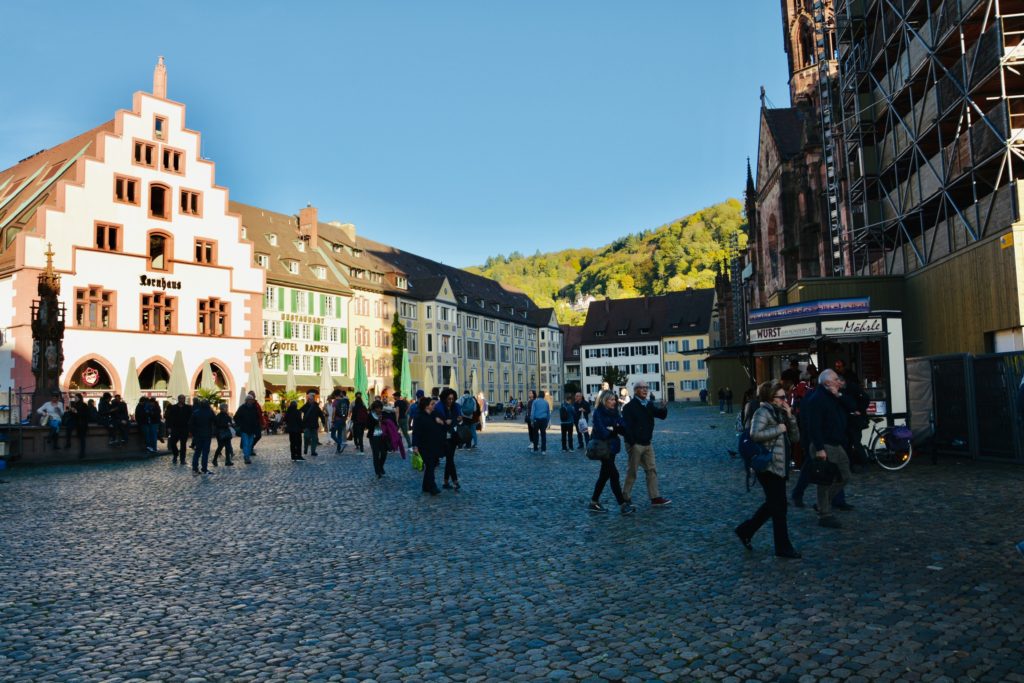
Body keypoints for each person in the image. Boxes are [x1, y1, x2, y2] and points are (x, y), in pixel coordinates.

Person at [734, 381, 801, 559]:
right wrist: (777, 429)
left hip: (780, 465)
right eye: (781, 397)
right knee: (779, 508)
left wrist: (790, 416)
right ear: (771, 398)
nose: (785, 400)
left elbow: (795, 437)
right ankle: (783, 547)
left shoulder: (780, 413)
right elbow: (755, 434)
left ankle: (745, 530)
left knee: (773, 505)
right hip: (768, 466)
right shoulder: (762, 412)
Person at [801, 369, 852, 529]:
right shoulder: (817, 399)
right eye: (836, 379)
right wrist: (819, 448)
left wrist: (839, 395)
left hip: (836, 443)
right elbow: (813, 426)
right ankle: (825, 514)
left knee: (845, 475)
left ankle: (823, 505)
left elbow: (852, 406)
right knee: (824, 482)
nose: (839, 381)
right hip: (825, 444)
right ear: (827, 383)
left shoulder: (833, 396)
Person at [621, 382, 672, 508]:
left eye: (646, 388)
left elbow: (661, 415)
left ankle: (655, 497)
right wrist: (632, 443)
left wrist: (663, 407)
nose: (645, 390)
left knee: (651, 469)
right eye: (642, 388)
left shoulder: (648, 404)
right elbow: (626, 428)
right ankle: (625, 497)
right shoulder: (629, 407)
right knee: (632, 472)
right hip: (635, 444)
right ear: (636, 390)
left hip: (647, 443)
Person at [588, 390, 635, 514]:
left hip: (612, 448)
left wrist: (616, 428)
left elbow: (623, 426)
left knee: (604, 475)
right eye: (612, 400)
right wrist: (615, 429)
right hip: (602, 449)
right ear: (605, 400)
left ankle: (594, 502)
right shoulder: (598, 412)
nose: (615, 402)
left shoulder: (614, 412)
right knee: (614, 475)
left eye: (615, 399)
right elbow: (602, 432)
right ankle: (623, 504)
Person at [412, 396, 443, 495]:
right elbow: (415, 433)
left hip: (433, 444)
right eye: (432, 404)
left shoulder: (433, 414)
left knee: (432, 465)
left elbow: (442, 420)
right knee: (430, 465)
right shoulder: (419, 417)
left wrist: (440, 422)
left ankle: (425, 486)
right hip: (424, 445)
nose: (434, 406)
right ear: (426, 406)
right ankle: (432, 487)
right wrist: (415, 446)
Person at [436, 388, 462, 490]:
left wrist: (454, 420)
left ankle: (446, 482)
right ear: (444, 398)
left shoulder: (455, 406)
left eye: (452, 399)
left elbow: (458, 418)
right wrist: (445, 421)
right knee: (450, 459)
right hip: (443, 437)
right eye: (449, 399)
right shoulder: (439, 406)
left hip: (453, 437)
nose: (451, 401)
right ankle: (455, 481)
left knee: (449, 459)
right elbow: (440, 420)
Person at [187, 399, 215, 474]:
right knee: (205, 452)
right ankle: (204, 468)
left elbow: (190, 424)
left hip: (198, 435)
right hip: (207, 434)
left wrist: (193, 433)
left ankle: (195, 467)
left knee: (197, 451)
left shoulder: (196, 412)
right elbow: (214, 421)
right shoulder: (210, 412)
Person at [234, 393, 261, 464]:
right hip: (244, 429)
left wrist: (256, 426)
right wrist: (240, 425)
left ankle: (247, 456)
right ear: (246, 400)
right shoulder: (242, 408)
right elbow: (236, 417)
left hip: (252, 429)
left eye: (251, 400)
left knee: (250, 444)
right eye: (249, 400)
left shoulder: (254, 408)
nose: (251, 401)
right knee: (245, 444)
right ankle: (246, 457)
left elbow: (257, 418)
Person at [366, 400, 390, 479]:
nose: (379, 410)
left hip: (382, 436)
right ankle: (377, 471)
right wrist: (377, 422)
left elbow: (388, 424)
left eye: (380, 408)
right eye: (377, 408)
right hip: (373, 437)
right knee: (376, 454)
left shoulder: (384, 414)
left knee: (384, 453)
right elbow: (368, 426)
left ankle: (380, 466)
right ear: (374, 408)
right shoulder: (370, 415)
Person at [165, 394, 191, 465]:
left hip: (184, 428)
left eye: (184, 398)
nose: (183, 400)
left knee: (183, 445)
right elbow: (169, 418)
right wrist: (169, 427)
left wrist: (190, 429)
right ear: (179, 399)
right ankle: (175, 455)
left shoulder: (188, 408)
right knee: (173, 443)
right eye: (182, 398)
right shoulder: (173, 408)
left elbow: (191, 418)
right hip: (175, 428)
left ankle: (182, 459)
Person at [301, 391, 327, 457]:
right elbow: (299, 411)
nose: (311, 399)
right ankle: (305, 448)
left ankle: (313, 451)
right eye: (310, 398)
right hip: (307, 425)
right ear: (308, 399)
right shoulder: (305, 406)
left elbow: (321, 415)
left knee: (314, 439)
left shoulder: (316, 406)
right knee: (306, 437)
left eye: (312, 398)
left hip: (314, 425)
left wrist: (323, 422)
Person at [66, 393, 89, 458]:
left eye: (75, 397)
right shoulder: (74, 405)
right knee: (69, 428)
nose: (75, 399)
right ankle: (68, 442)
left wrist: (76, 412)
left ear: (79, 398)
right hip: (76, 422)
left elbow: (85, 415)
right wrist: (71, 411)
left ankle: (82, 453)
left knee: (82, 439)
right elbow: (72, 415)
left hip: (82, 423)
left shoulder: (84, 405)